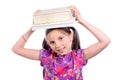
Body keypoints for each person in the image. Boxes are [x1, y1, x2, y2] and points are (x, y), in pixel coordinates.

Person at [12, 6, 111, 80]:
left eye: (61, 38)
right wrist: (33, 28)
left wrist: (81, 21)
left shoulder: (79, 56)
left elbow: (105, 41)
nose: (58, 45)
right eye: (52, 42)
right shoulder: (46, 56)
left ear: (70, 35)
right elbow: (16, 49)